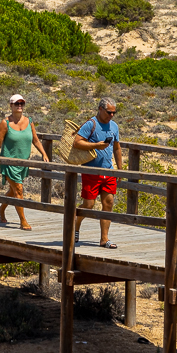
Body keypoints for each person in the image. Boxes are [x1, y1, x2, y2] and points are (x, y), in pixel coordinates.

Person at [0, 94, 47, 229]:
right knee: (19, 190)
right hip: (8, 162)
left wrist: (44, 153)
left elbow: (35, 140)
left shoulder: (29, 121)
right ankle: (23, 221)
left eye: (22, 103)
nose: (19, 106)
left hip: (23, 163)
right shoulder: (5, 123)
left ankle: (1, 209)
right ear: (11, 105)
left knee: (14, 190)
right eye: (17, 103)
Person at [71, 98, 122, 248]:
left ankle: (104, 239)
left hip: (108, 171)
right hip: (91, 171)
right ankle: (75, 226)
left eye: (114, 112)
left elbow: (117, 147)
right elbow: (77, 142)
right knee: (89, 204)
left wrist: (119, 168)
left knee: (109, 203)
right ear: (100, 109)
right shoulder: (91, 124)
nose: (112, 115)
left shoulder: (114, 126)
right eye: (109, 112)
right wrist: (96, 145)